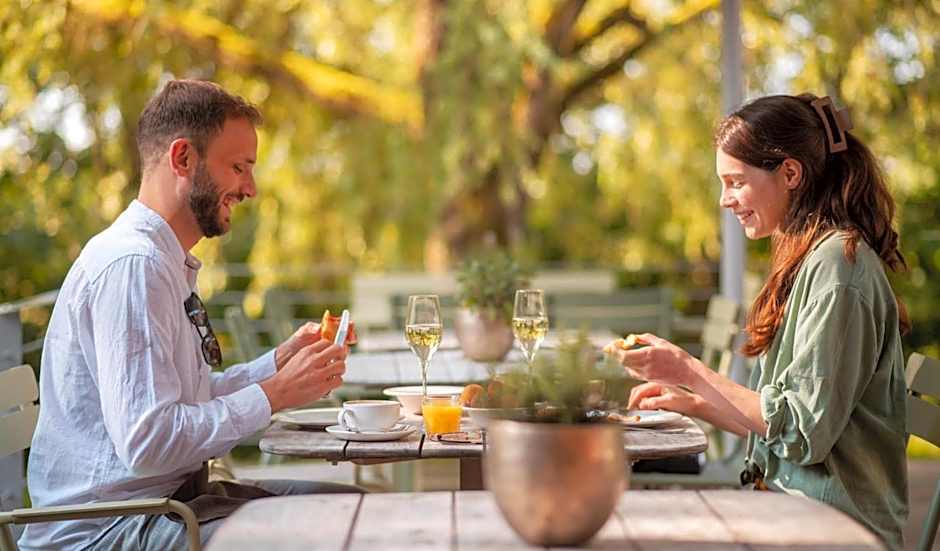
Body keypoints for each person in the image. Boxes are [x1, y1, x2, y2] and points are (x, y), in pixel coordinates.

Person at [20, 80, 360, 551]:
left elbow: (182, 403)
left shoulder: (161, 261)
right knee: (353, 531)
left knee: (358, 509)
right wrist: (274, 394)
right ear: (183, 159)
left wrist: (276, 366)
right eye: (238, 167)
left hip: (167, 504)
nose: (250, 188)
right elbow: (149, 444)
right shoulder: (134, 266)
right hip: (109, 528)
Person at [608, 94, 909, 550]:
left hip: (834, 529)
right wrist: (695, 403)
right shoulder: (809, 255)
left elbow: (804, 434)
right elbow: (788, 425)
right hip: (793, 508)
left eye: (736, 182)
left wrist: (689, 369)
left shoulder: (838, 268)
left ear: (790, 173)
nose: (725, 200)